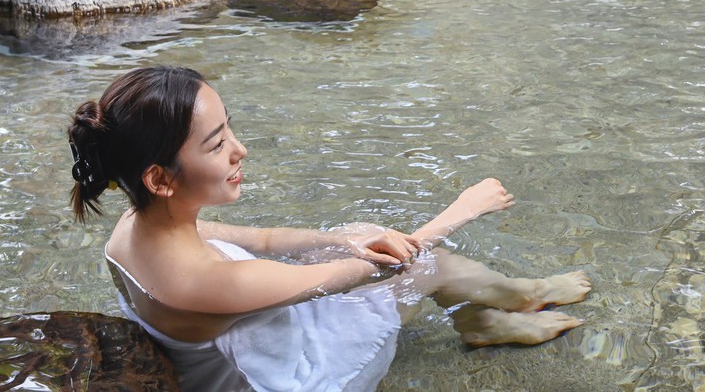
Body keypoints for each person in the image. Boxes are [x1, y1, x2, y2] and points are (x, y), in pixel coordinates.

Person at [68, 66, 590, 392]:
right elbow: (371, 272)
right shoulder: (201, 281)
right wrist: (463, 209)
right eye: (216, 144)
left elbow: (265, 241)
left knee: (363, 228)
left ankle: (483, 320)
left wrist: (343, 239)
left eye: (229, 128)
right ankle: (521, 298)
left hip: (251, 334)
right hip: (287, 377)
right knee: (425, 264)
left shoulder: (137, 220)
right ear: (159, 178)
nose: (239, 150)